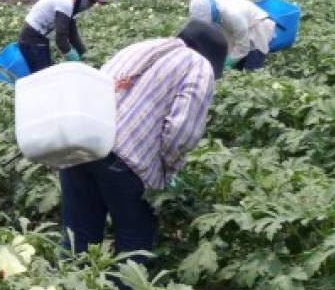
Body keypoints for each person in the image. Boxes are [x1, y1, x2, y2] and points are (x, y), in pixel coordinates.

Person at [59, 20, 227, 263]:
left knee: (77, 239)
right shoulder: (199, 65)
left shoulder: (143, 46)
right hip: (126, 162)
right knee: (133, 246)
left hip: (81, 143)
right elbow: (182, 131)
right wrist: (168, 169)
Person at [18, 0, 107, 73]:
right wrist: (72, 57)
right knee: (42, 75)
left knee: (45, 73)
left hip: (40, 37)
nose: (91, 5)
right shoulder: (66, 3)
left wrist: (85, 56)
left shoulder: (71, 6)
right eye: (91, 1)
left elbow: (73, 36)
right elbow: (61, 38)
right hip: (32, 37)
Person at [188, 0, 275, 71]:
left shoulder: (233, 16)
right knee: (235, 61)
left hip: (258, 25)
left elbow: (243, 47)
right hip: (240, 26)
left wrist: (226, 64)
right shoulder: (207, 9)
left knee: (252, 66)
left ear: (213, 13)